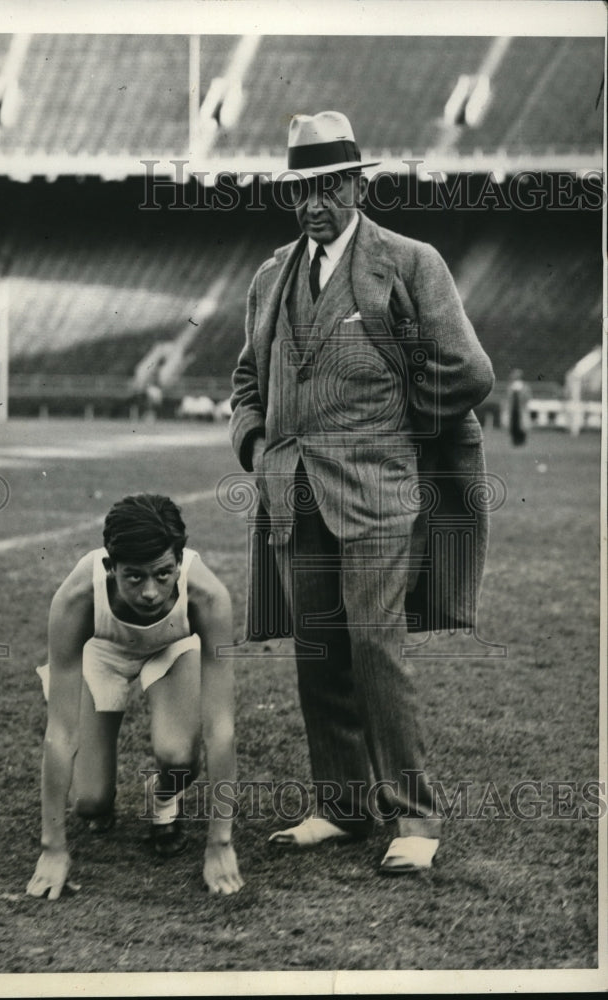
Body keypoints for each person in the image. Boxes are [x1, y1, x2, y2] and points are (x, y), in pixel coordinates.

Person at [229, 111, 494, 873]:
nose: (316, 203)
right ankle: (342, 806)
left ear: (357, 183)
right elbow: (248, 378)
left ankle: (414, 819)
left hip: (378, 493)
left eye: (330, 186)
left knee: (376, 647)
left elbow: (469, 371)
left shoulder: (409, 263)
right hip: (293, 491)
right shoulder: (270, 273)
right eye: (303, 189)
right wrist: (254, 444)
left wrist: (403, 427)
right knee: (318, 648)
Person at [26, 493, 243, 899]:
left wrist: (220, 844)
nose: (149, 592)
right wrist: (52, 849)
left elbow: (221, 729)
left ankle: (164, 801)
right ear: (110, 566)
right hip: (102, 652)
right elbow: (60, 733)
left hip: (171, 648)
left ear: (180, 562)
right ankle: (98, 800)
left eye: (163, 575)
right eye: (134, 577)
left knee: (177, 756)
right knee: (90, 804)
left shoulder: (209, 597)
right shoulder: (76, 598)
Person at [506, 368, 531, 446]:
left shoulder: (525, 386)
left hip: (521, 409)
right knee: (514, 425)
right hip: (513, 409)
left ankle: (521, 441)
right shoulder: (511, 386)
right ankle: (515, 441)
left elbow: (527, 397)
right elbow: (508, 397)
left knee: (522, 425)